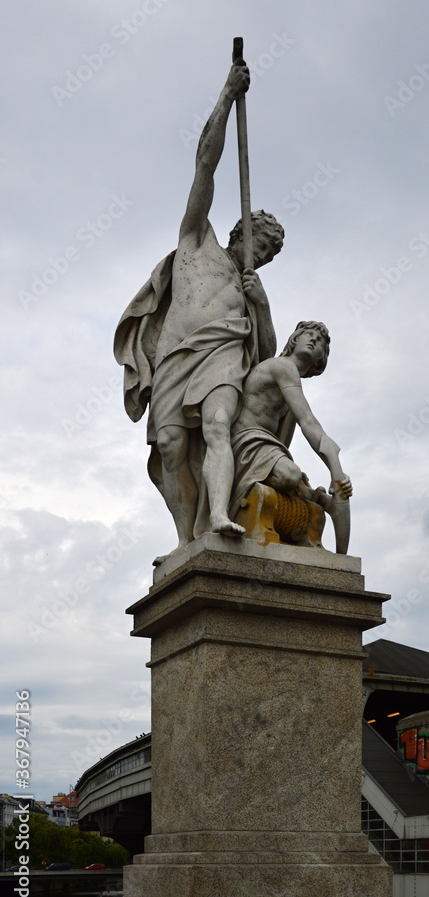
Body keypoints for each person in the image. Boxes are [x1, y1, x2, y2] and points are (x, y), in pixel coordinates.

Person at [114, 60, 284, 556]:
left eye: (268, 254)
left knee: (216, 427)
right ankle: (186, 539)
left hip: (222, 355)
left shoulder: (250, 291)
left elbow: (266, 355)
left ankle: (219, 514)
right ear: (239, 232)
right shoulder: (196, 240)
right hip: (175, 355)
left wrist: (261, 306)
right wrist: (228, 95)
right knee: (170, 446)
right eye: (259, 244)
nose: (261, 256)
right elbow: (204, 165)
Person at [229, 321, 352, 551]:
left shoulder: (290, 389)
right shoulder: (283, 367)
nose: (313, 339)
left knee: (292, 476)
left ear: (321, 359)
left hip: (264, 446)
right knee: (290, 474)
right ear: (294, 339)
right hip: (246, 441)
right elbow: (309, 422)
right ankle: (318, 499)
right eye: (308, 334)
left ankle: (317, 500)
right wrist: (336, 470)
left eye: (320, 341)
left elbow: (295, 432)